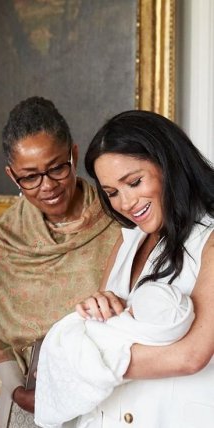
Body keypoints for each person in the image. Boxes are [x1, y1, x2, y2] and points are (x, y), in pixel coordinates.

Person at [0, 96, 121, 427]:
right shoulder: (6, 235)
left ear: (73, 154)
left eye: (57, 168)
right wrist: (19, 395)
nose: (47, 187)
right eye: (30, 177)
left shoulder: (117, 217)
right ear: (13, 176)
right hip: (32, 398)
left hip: (109, 392)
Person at [71, 110, 214, 427]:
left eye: (134, 182)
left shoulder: (209, 240)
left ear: (169, 164)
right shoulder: (126, 242)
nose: (125, 203)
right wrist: (95, 311)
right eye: (111, 193)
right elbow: (105, 326)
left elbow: (191, 356)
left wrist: (78, 358)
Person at [35, 282, 194, 427]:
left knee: (70, 358)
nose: (128, 311)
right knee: (63, 347)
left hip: (88, 352)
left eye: (132, 311)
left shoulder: (129, 342)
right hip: (86, 334)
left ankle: (49, 393)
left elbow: (100, 372)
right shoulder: (158, 327)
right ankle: (47, 380)